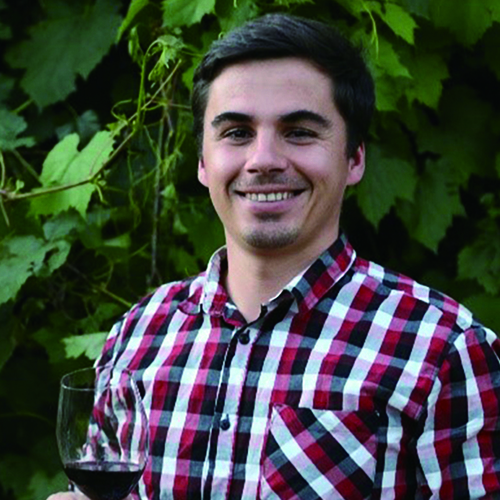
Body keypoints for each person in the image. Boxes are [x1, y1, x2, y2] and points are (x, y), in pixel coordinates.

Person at [48, 13, 500, 500]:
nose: (263, 159)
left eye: (299, 131)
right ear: (203, 162)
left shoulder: (442, 351)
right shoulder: (138, 337)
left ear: (354, 159)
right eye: (236, 133)